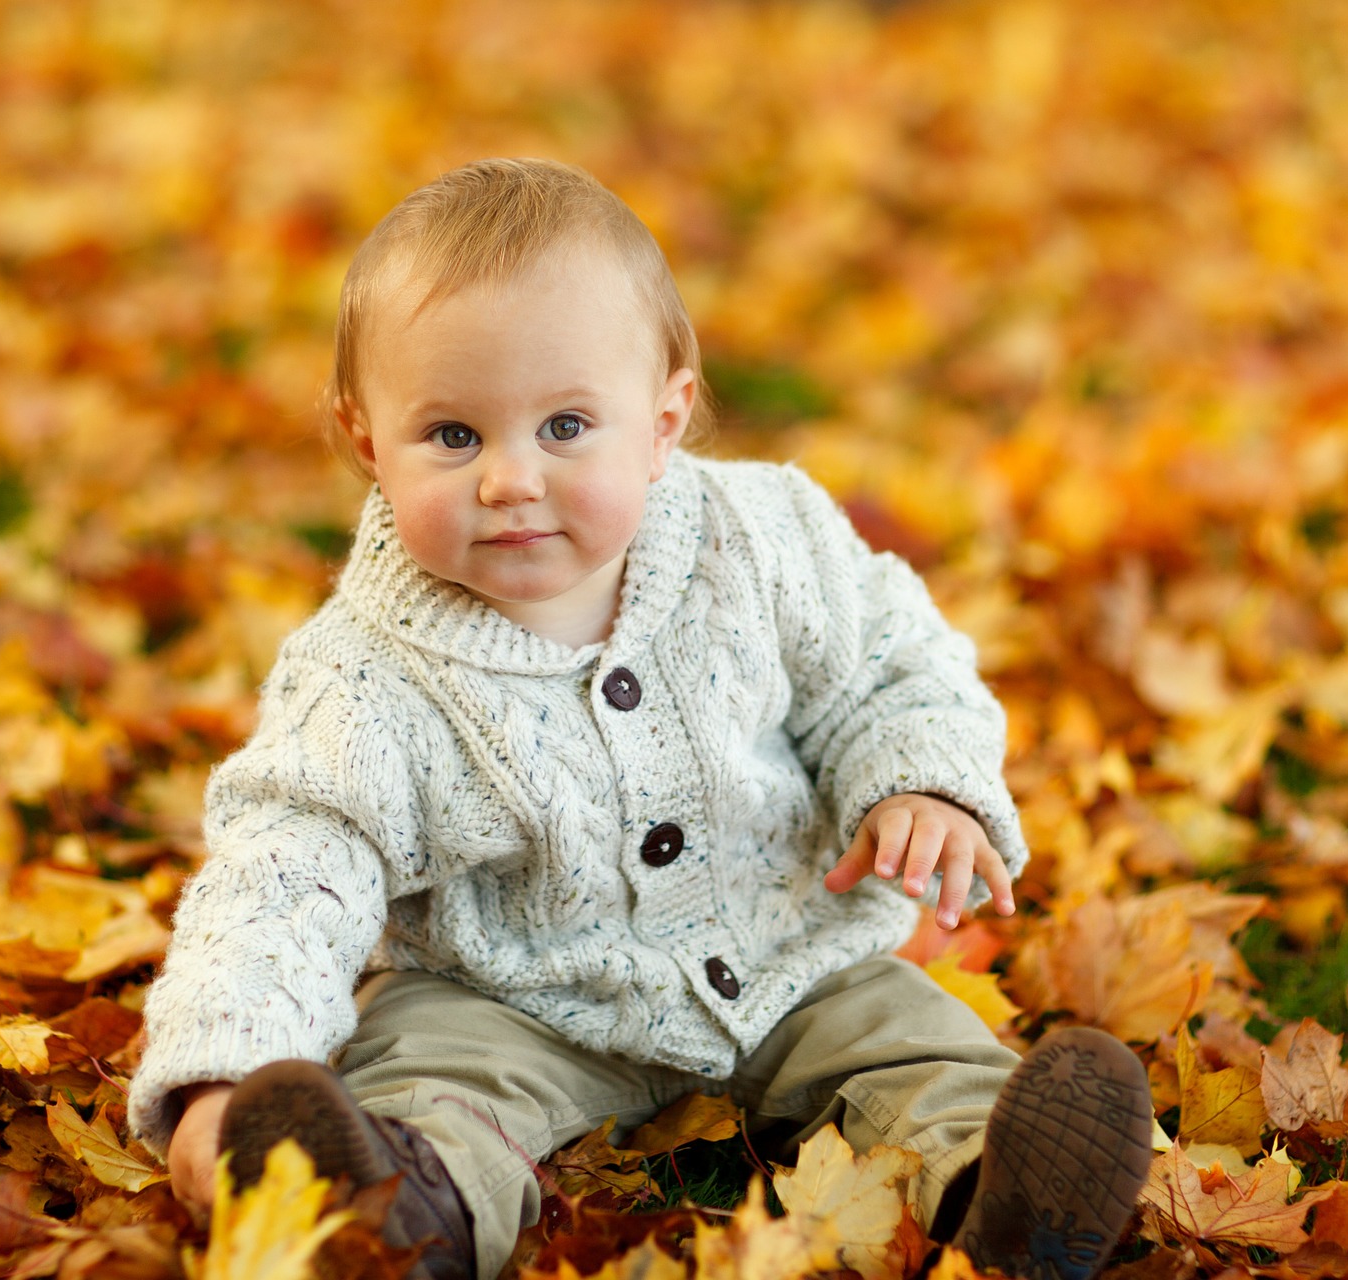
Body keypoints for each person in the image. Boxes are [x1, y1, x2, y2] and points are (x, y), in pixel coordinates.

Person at [127, 158, 1151, 1280]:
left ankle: (1002, 1194)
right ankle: (385, 1211)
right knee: (430, 1081)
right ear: (367, 440)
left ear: (663, 421)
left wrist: (921, 780)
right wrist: (225, 1068)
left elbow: (889, 663)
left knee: (916, 1049)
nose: (511, 479)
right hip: (513, 994)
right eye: (454, 436)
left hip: (789, 949)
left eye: (566, 424)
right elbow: (287, 870)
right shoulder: (362, 675)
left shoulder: (763, 538)